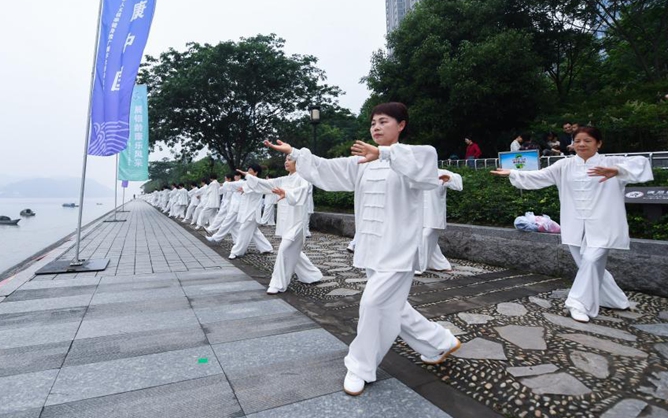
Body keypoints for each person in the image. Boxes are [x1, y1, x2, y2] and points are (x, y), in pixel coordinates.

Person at [264, 102, 460, 397]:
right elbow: (327, 170)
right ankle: (439, 342)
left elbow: (423, 168)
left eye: (383, 121)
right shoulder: (362, 163)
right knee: (393, 307)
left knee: (371, 304)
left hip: (399, 249)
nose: (376, 127)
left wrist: (382, 153)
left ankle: (360, 366)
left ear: (401, 125)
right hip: (371, 248)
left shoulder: (418, 154)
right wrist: (295, 153)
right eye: (373, 123)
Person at [491, 126, 652, 323]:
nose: (582, 144)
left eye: (587, 141)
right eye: (577, 141)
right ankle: (614, 299)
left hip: (604, 224)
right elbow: (540, 176)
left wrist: (618, 170)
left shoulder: (610, 162)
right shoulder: (564, 166)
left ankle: (577, 303)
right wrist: (513, 174)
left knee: (592, 260)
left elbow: (642, 163)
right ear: (572, 144)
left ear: (598, 143)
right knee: (587, 263)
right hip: (574, 224)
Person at [242, 156, 323, 294]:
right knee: (294, 251)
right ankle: (312, 275)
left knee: (284, 250)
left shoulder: (303, 178)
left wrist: (287, 193)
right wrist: (251, 178)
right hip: (287, 222)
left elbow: (304, 190)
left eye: (290, 159)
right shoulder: (284, 179)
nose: (286, 161)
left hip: (297, 223)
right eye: (285, 159)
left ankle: (278, 283)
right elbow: (267, 184)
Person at [419, 170, 463, 273]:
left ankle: (418, 266)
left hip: (434, 215)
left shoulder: (440, 172)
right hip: (419, 214)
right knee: (428, 241)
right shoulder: (416, 173)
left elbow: (458, 184)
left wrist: (450, 179)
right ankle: (440, 264)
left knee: (425, 237)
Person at [227, 164, 273, 260]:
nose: (248, 171)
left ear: (256, 173)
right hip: (247, 212)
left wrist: (244, 189)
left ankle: (236, 252)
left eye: (250, 170)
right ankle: (266, 248)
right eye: (248, 169)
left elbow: (253, 188)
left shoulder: (259, 183)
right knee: (254, 232)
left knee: (243, 230)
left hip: (252, 213)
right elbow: (239, 185)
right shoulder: (247, 182)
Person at [207, 173, 244, 243]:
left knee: (227, 223)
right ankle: (237, 241)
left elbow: (227, 185)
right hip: (233, 207)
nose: (234, 177)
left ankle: (215, 237)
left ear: (239, 176)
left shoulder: (241, 183)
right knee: (235, 226)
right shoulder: (236, 183)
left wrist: (219, 184)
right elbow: (223, 189)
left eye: (235, 175)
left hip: (235, 207)